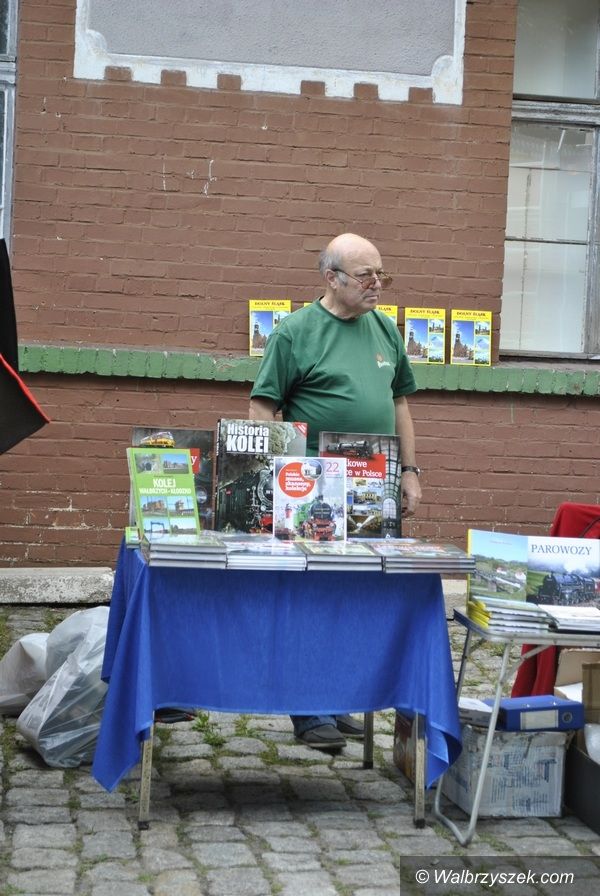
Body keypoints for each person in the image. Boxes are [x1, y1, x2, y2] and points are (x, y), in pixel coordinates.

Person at [250, 232, 422, 749]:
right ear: (331, 277)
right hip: (312, 491)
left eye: (382, 274)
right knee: (310, 599)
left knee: (353, 598)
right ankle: (308, 710)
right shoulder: (295, 333)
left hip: (372, 489)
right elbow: (262, 409)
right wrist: (273, 482)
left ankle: (334, 696)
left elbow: (399, 405)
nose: (377, 284)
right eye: (366, 276)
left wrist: (409, 470)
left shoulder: (385, 330)